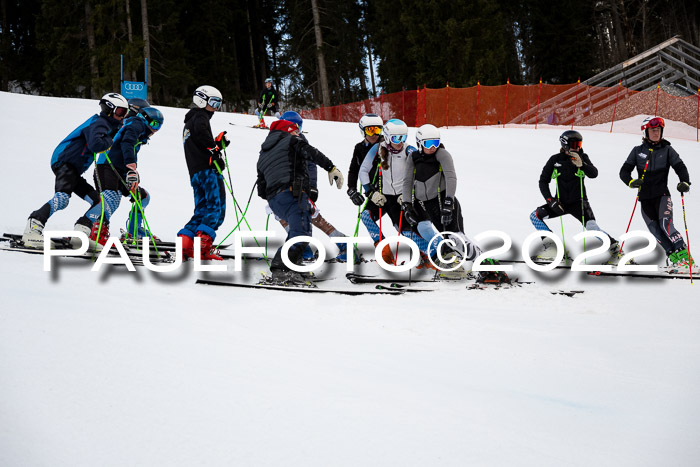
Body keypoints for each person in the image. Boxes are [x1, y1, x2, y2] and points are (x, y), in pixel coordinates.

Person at [22, 93, 128, 248]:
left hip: (73, 169)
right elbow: (96, 145)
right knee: (62, 198)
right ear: (109, 109)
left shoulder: (105, 125)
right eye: (120, 112)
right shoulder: (100, 122)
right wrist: (111, 139)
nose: (122, 116)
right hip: (65, 162)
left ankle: (81, 232)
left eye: (125, 113)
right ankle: (32, 228)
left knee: (99, 202)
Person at [256, 112, 344, 284]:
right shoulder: (291, 140)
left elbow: (261, 187)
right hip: (292, 194)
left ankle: (293, 267)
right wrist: (331, 168)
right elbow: (312, 153)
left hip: (275, 200)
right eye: (296, 130)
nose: (299, 134)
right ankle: (281, 269)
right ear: (289, 129)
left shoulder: (265, 151)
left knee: (299, 232)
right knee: (302, 232)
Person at [401, 124, 492, 279]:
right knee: (449, 239)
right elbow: (407, 182)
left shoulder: (442, 154)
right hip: (428, 206)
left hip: (445, 202)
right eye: (429, 144)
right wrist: (407, 205)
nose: (433, 147)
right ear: (419, 143)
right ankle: (459, 267)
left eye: (436, 143)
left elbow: (451, 177)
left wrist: (449, 202)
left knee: (456, 238)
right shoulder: (413, 158)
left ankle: (488, 266)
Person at [76, 107, 164, 249]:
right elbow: (127, 143)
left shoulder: (137, 129)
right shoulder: (136, 124)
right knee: (110, 199)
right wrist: (131, 167)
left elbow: (128, 149)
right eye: (154, 124)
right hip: (106, 167)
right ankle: (93, 230)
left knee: (142, 196)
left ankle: (134, 231)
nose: (156, 130)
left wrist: (131, 173)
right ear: (145, 118)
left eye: (159, 126)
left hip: (119, 170)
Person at [530, 130, 621, 263]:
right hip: (560, 204)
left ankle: (616, 251)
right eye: (574, 144)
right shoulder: (555, 160)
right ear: (565, 144)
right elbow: (543, 181)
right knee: (535, 216)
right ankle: (553, 249)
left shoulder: (583, 157)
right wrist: (550, 201)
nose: (577, 147)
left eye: (579, 144)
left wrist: (582, 164)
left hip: (580, 203)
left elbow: (594, 173)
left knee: (592, 228)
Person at [620, 116, 693, 270]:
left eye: (658, 130)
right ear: (646, 132)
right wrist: (631, 182)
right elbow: (624, 171)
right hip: (645, 198)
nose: (656, 133)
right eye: (653, 130)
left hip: (662, 195)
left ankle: (685, 257)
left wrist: (684, 182)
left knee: (666, 225)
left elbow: (680, 167)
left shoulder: (667, 150)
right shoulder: (637, 151)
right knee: (655, 231)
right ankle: (674, 257)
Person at [358, 118, 433, 267]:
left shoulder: (408, 150)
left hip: (399, 198)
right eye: (396, 138)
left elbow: (421, 172)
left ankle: (432, 256)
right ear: (386, 136)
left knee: (405, 232)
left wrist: (408, 194)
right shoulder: (378, 149)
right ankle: (384, 253)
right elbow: (363, 171)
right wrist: (371, 193)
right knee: (366, 216)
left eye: (403, 138)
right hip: (381, 197)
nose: (399, 142)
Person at [177, 85, 229, 261]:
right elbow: (202, 135)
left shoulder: (189, 121)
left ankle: (185, 244)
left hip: (196, 173)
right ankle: (202, 248)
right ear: (201, 99)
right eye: (213, 102)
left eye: (219, 104)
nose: (215, 107)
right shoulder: (200, 117)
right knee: (216, 208)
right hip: (207, 171)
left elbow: (199, 142)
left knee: (201, 209)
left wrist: (217, 145)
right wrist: (214, 148)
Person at [347, 113, 386, 260]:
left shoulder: (386, 144)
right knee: (366, 216)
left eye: (377, 130)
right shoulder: (359, 148)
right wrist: (352, 189)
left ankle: (423, 253)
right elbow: (353, 170)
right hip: (373, 192)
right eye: (370, 130)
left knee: (400, 223)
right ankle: (383, 248)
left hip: (389, 190)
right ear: (363, 131)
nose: (375, 134)